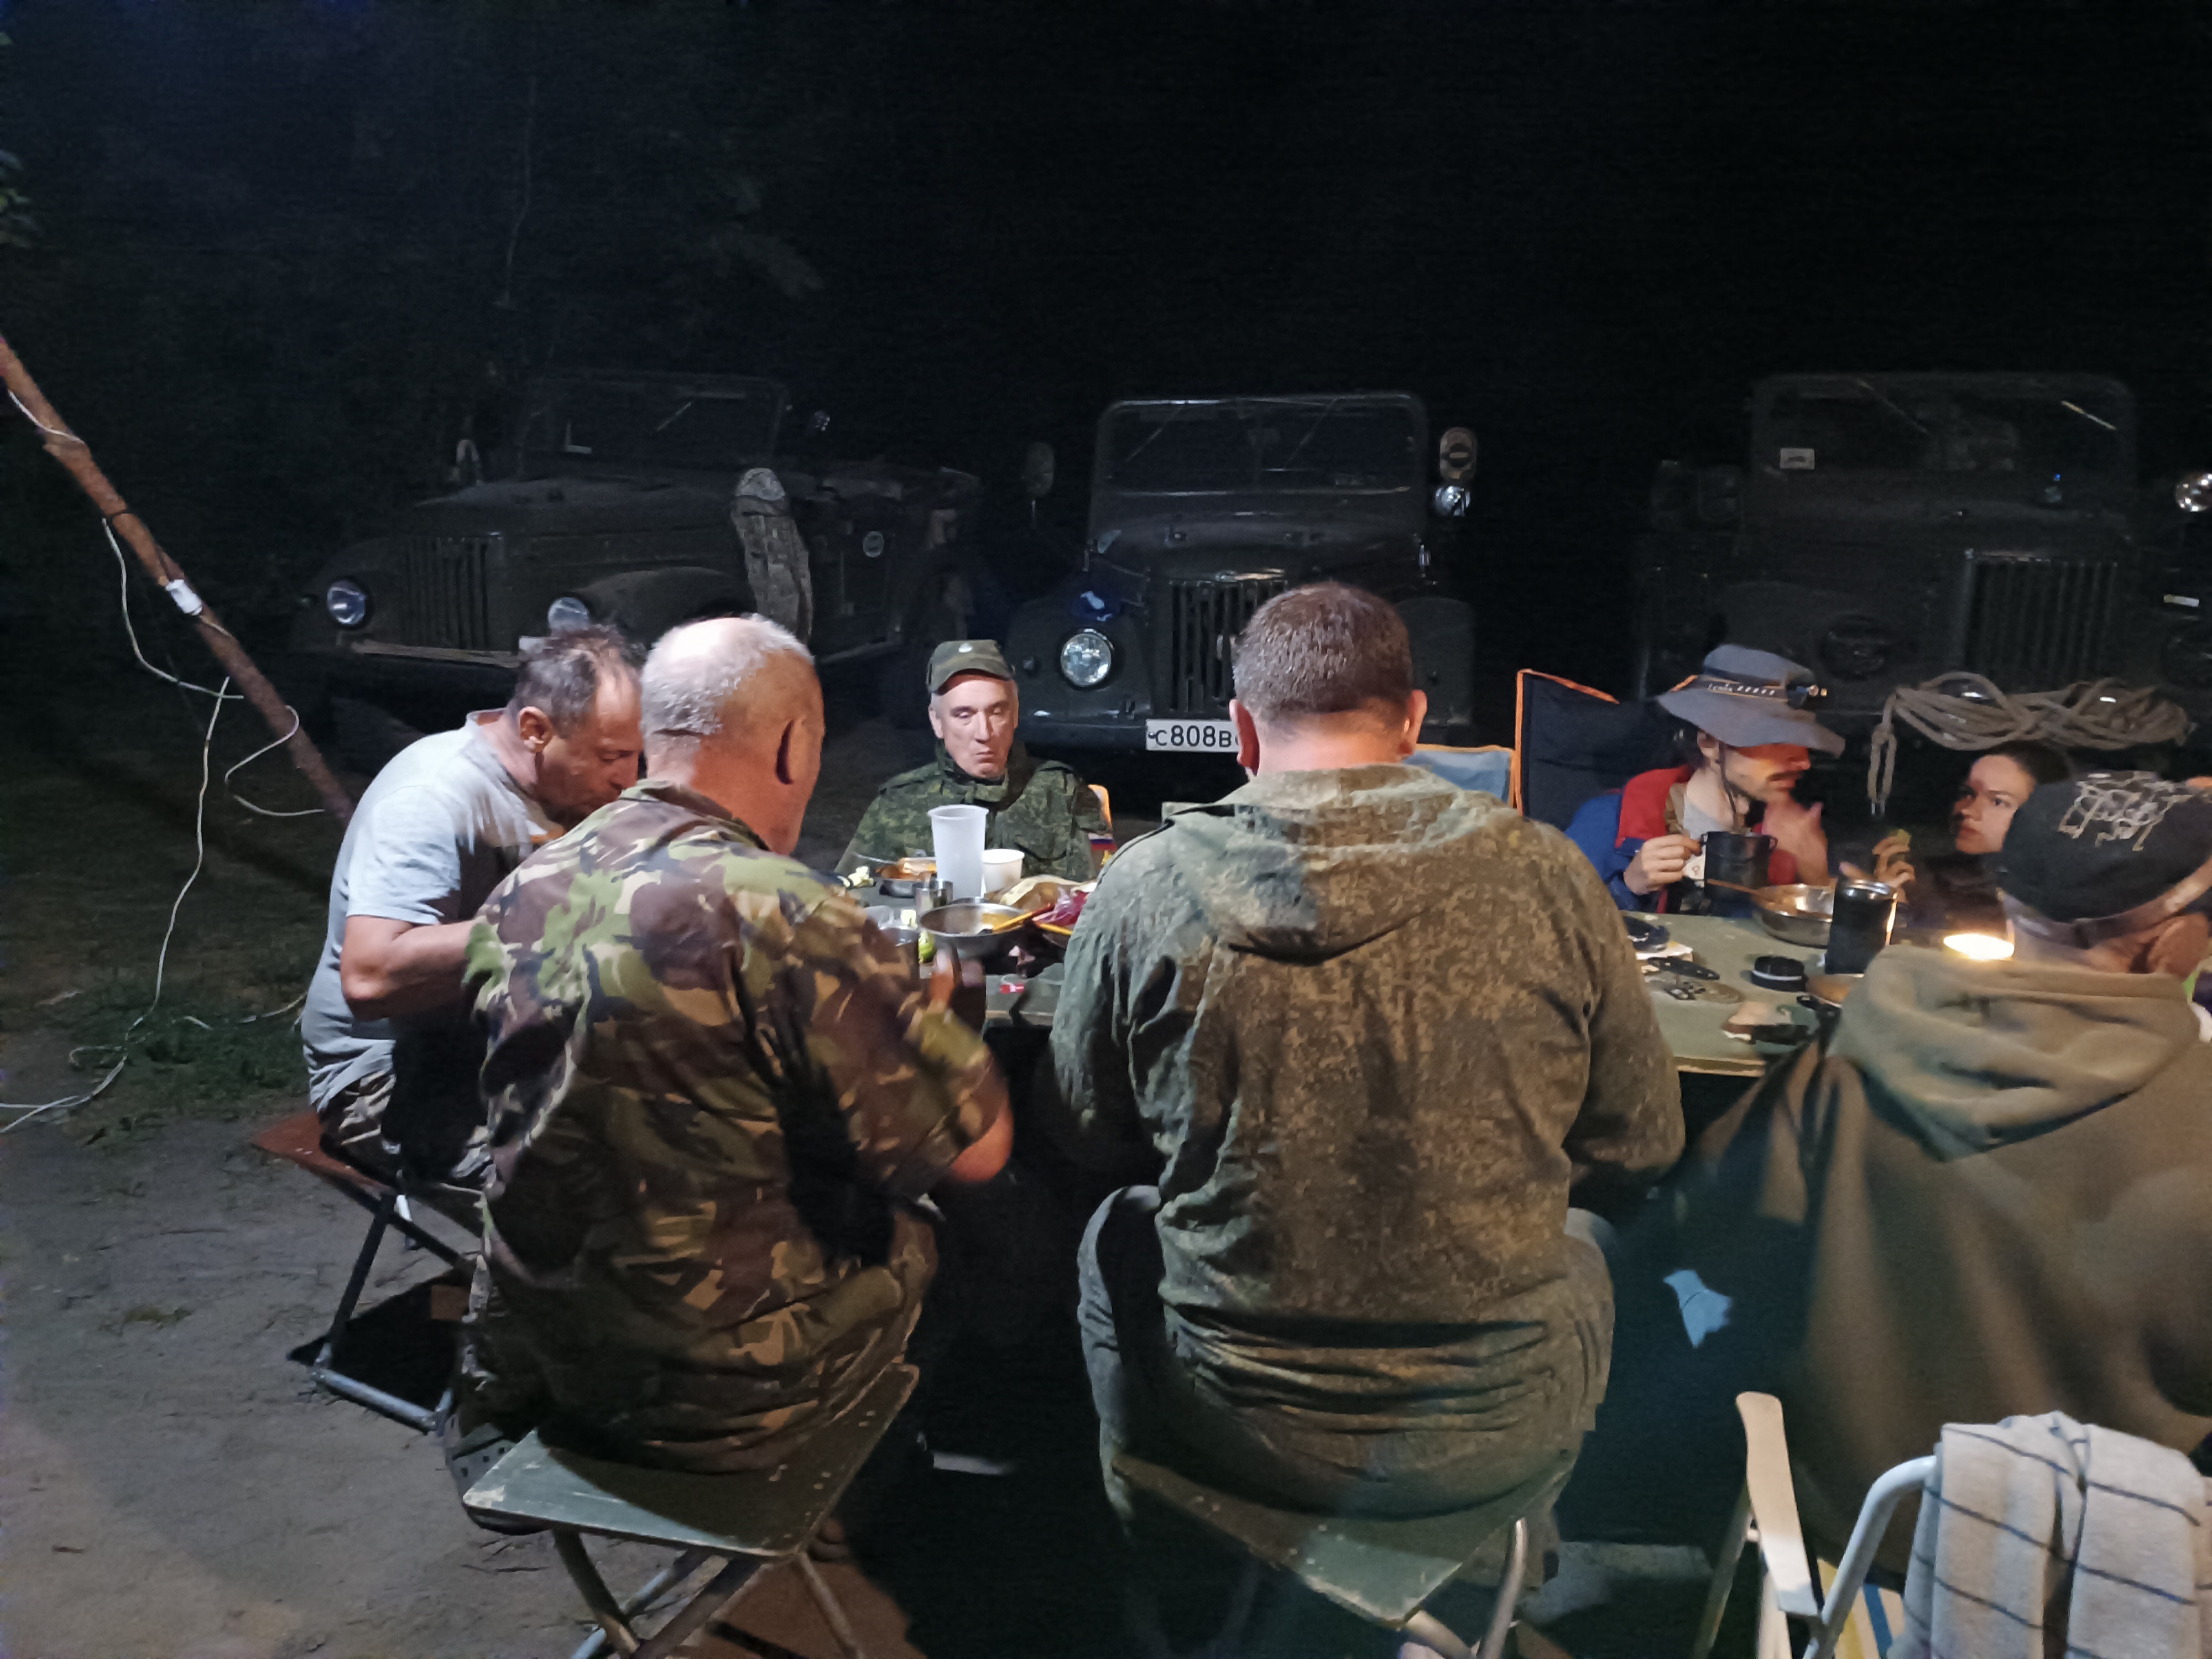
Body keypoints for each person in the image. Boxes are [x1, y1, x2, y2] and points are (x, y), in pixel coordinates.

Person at [1053, 582, 1682, 1527]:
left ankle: (1155, 1535)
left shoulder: (1143, 888)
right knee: (1587, 1244)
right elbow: (1641, 1144)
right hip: (1491, 1433)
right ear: (1414, 721)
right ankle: (1509, 1560)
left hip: (1231, 1419)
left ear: (1241, 731)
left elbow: (1085, 1130)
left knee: (1115, 1225)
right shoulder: (1548, 875)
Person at [458, 615, 1011, 1475]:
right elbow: (976, 1151)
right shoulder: (786, 911)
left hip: (545, 1356)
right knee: (943, 1230)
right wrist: (942, 1026)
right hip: (718, 1397)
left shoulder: (528, 885)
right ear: (792, 747)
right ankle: (883, 1491)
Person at [1670, 772, 2212, 1563]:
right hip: (2080, 1569)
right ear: (2173, 941)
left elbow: (1713, 1236)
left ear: (2011, 903)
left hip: (1846, 1527)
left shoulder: (1860, 1042)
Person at [301, 626, 643, 1202]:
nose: (628, 779)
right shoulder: (431, 800)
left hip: (501, 1038)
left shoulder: (566, 784)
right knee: (587, 1196)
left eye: (636, 754)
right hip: (396, 1074)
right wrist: (545, 918)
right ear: (535, 730)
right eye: (611, 757)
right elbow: (370, 977)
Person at [1566, 645, 1844, 912]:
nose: (1804, 762)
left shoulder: (1798, 836)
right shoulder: (1609, 821)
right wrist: (1628, 887)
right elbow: (1555, 926)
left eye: (1804, 745)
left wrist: (1816, 878)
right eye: (1776, 742)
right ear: (1709, 743)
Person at [838, 639, 1109, 881]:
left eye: (997, 712)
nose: (984, 733)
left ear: (1015, 714)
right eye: (964, 715)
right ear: (937, 721)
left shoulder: (1061, 791)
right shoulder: (899, 804)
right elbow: (849, 896)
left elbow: (1105, 890)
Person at [1856, 739, 2072, 935]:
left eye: (1997, 801)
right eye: (1969, 793)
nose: (1968, 810)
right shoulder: (1934, 870)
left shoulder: (2059, 898)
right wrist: (1893, 903)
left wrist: (1907, 912)